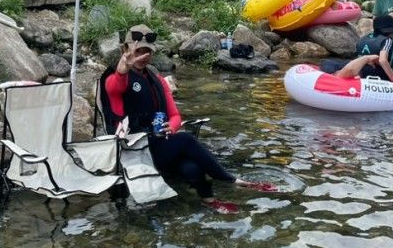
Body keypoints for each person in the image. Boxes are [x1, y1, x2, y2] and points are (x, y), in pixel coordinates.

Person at [103, 26, 277, 212]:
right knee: (186, 139)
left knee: (192, 167)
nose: (143, 56)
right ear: (125, 51)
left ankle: (209, 201)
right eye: (138, 51)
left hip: (160, 143)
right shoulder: (115, 79)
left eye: (148, 51)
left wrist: (174, 125)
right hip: (135, 150)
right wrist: (122, 71)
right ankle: (233, 180)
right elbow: (115, 89)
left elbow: (175, 115)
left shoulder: (157, 80)